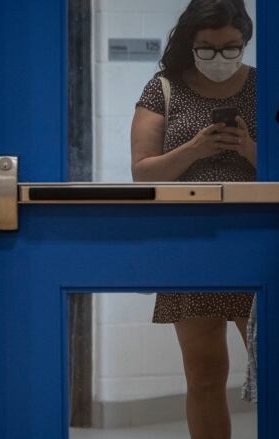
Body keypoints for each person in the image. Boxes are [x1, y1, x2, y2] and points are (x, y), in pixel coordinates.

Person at [130, 1, 256, 438]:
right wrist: (195, 150)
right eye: (207, 49)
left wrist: (248, 149)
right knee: (204, 374)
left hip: (256, 241)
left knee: (270, 367)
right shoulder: (163, 88)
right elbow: (142, 172)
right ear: (190, 43)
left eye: (230, 48)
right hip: (190, 242)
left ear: (245, 41)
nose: (219, 58)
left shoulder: (266, 85)